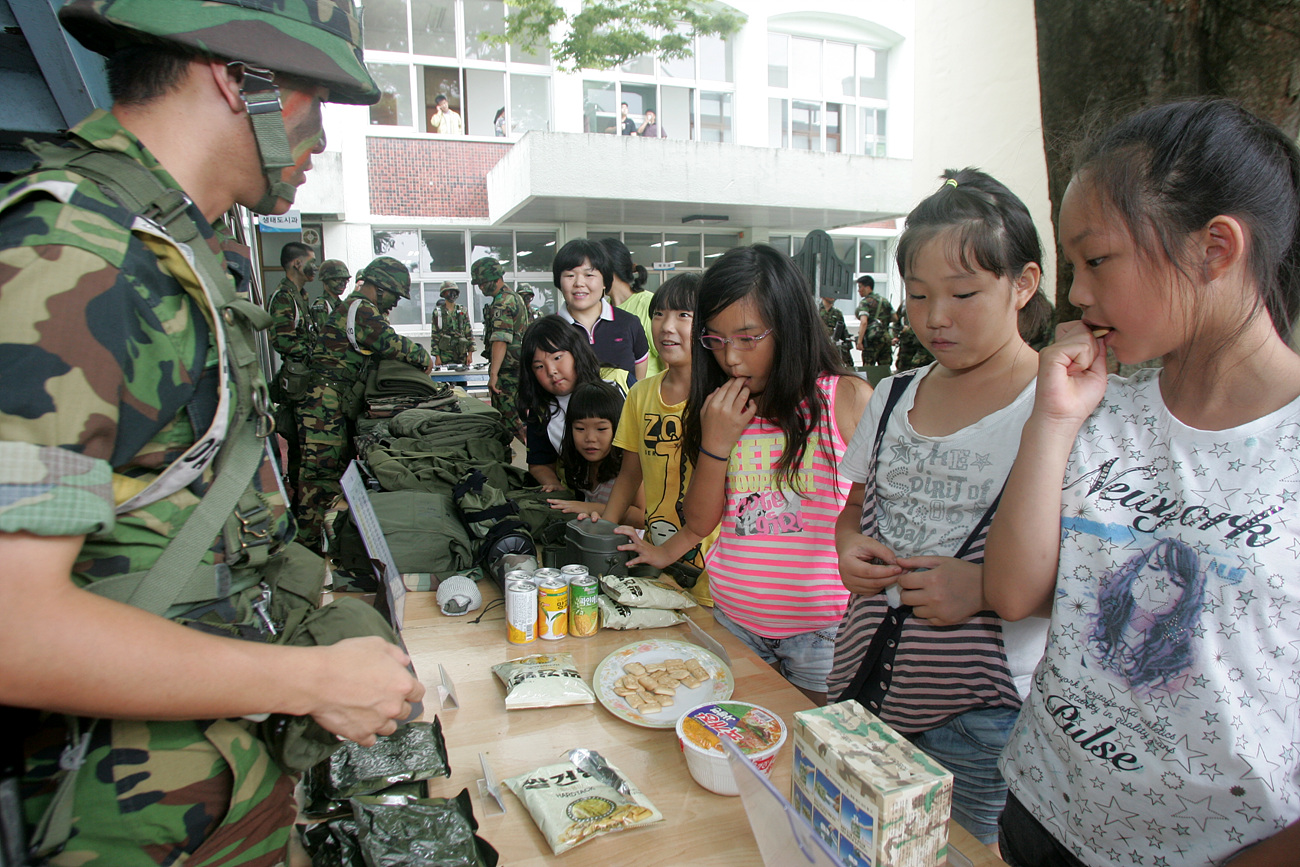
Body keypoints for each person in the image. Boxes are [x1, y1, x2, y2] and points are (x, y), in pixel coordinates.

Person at [0, 2, 424, 865]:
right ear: (241, 79)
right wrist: (307, 680)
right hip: (120, 823)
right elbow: (13, 625)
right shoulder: (78, 256)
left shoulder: (164, 249)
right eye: (316, 101)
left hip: (202, 799)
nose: (320, 142)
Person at [983, 98, 1300, 867]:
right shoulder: (1100, 407)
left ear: (1215, 248)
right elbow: (1012, 592)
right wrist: (1052, 423)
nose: (1078, 293)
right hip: (1042, 812)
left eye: (1097, 260)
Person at [829, 169, 1051, 850]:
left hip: (980, 713)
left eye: (962, 294)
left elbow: (1093, 573)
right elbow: (857, 507)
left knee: (955, 850)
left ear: (1023, 283)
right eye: (918, 295)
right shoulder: (895, 394)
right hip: (864, 677)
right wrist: (847, 549)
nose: (935, 317)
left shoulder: (1057, 407)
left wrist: (985, 587)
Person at [681, 245, 872, 704]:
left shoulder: (844, 398)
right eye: (716, 339)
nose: (731, 358)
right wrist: (716, 443)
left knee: (810, 753)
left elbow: (875, 513)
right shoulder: (722, 407)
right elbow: (700, 522)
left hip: (822, 631)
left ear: (789, 327)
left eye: (748, 338)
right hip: (735, 619)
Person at [597, 273, 719, 607]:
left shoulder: (722, 398)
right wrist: (604, 532)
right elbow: (630, 473)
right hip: (658, 562)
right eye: (658, 314)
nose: (667, 326)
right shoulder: (642, 394)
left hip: (716, 577)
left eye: (683, 315)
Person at [300, 256, 433, 548]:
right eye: (395, 295)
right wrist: (424, 357)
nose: (396, 303)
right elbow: (390, 343)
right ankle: (308, 545)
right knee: (322, 475)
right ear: (380, 287)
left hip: (333, 400)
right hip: (325, 404)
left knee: (335, 470)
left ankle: (321, 539)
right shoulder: (362, 309)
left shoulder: (358, 307)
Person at [520, 315, 630, 491]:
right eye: (539, 366)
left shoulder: (619, 381)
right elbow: (540, 464)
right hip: (581, 497)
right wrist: (559, 491)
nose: (551, 371)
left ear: (575, 351)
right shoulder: (541, 409)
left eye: (557, 358)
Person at [553, 238, 649, 382]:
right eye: (570, 275)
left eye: (589, 275)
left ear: (605, 281)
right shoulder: (548, 330)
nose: (579, 283)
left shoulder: (629, 324)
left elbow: (638, 388)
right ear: (559, 282)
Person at [268, 240, 320, 508]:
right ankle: (300, 500)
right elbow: (283, 340)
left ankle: (303, 496)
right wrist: (313, 354)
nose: (316, 268)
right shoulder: (284, 297)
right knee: (299, 439)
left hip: (307, 375)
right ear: (297, 263)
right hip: (298, 378)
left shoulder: (301, 295)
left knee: (306, 439)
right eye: (311, 261)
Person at [549, 382, 644, 525]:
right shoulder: (581, 464)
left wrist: (590, 508)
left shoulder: (628, 467)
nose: (590, 438)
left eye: (601, 429)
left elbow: (642, 517)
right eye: (580, 428)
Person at [474, 256, 529, 440]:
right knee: (513, 420)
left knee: (511, 420)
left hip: (507, 372)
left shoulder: (502, 302)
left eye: (482, 283)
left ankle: (538, 461)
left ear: (494, 278)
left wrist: (494, 374)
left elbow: (500, 339)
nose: (480, 287)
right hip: (518, 369)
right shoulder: (515, 298)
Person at [601, 236, 660, 376]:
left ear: (608, 270)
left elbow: (670, 362)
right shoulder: (603, 309)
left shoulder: (648, 304)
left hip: (644, 395)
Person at [855, 274, 895, 368]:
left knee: (868, 369)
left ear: (867, 287)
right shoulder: (884, 301)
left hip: (872, 340)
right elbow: (895, 318)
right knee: (885, 369)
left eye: (860, 287)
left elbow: (864, 322)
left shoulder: (865, 302)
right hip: (885, 339)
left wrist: (859, 341)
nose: (858, 290)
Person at [432, 280, 472, 366]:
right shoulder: (438, 313)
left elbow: (468, 333)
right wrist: (437, 357)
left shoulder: (462, 310)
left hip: (461, 353)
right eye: (449, 292)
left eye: (454, 292)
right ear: (444, 293)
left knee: (461, 378)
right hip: (445, 354)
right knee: (446, 377)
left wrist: (470, 354)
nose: (452, 294)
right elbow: (435, 336)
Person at [311, 257, 352, 322]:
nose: (342, 284)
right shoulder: (322, 305)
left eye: (345, 280)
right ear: (325, 280)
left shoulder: (341, 304)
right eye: (337, 279)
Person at [819, 295, 855, 368]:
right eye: (829, 293)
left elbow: (843, 333)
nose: (832, 296)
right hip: (819, 348)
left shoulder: (837, 313)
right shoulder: (816, 310)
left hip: (833, 349)